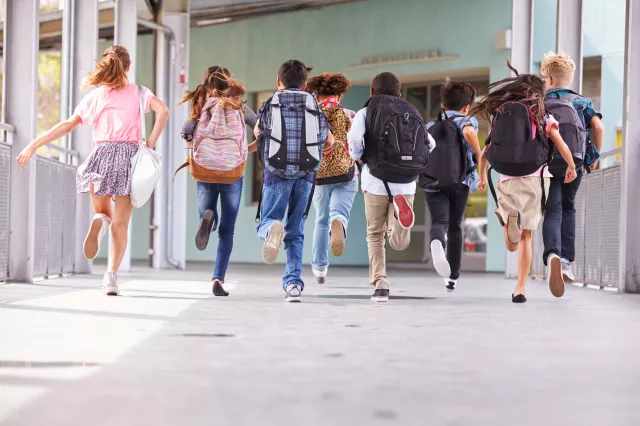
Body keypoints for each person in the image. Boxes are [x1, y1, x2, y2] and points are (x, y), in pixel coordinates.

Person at [16, 45, 169, 296]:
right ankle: (111, 278)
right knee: (121, 225)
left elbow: (67, 125)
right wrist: (150, 142)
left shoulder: (96, 97)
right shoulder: (140, 93)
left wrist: (34, 144)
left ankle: (99, 221)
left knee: (102, 213)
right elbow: (163, 110)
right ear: (128, 67)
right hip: (129, 159)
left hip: (101, 156)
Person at [472, 65, 577, 303]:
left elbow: (484, 154)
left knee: (512, 245)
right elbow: (560, 144)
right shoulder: (542, 115)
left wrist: (480, 178)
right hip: (535, 177)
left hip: (507, 178)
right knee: (527, 236)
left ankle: (511, 227)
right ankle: (520, 288)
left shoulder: (500, 114)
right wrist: (570, 166)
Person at [349, 72, 433, 302]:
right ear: (398, 93)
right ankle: (401, 223)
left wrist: (358, 157)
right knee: (398, 242)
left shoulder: (366, 112)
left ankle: (381, 284)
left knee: (375, 235)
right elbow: (430, 144)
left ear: (371, 92)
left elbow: (354, 139)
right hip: (406, 184)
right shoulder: (411, 111)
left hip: (375, 180)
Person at [254, 60, 334, 302]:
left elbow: (258, 132)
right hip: (306, 174)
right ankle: (293, 285)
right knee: (296, 228)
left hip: (276, 171)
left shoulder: (271, 102)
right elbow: (328, 140)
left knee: (267, 220)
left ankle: (270, 229)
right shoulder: (313, 103)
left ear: (278, 81)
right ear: (305, 83)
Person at [178, 66, 257, 297]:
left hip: (204, 170)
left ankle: (208, 220)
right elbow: (262, 130)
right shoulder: (239, 107)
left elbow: (187, 134)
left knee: (208, 213)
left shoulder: (200, 107)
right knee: (228, 229)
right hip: (233, 171)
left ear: (207, 85)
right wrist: (246, 150)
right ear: (229, 83)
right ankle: (218, 278)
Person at [540, 52, 605, 283]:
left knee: (552, 209)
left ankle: (552, 255)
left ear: (548, 78)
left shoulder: (540, 102)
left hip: (545, 164)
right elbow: (598, 127)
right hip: (574, 163)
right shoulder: (582, 101)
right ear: (569, 77)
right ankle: (566, 263)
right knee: (568, 208)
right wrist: (593, 156)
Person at [422, 81, 483, 292]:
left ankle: (437, 241)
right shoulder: (468, 121)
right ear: (467, 106)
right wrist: (479, 153)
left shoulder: (429, 127)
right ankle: (452, 277)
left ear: (442, 105)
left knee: (440, 221)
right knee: (456, 226)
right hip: (460, 181)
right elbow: (467, 133)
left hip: (433, 181)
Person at [305, 72, 358, 284]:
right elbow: (358, 145)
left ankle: (319, 268)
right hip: (345, 172)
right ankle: (340, 221)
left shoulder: (311, 114)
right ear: (340, 94)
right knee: (339, 211)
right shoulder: (348, 114)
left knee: (320, 220)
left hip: (319, 175)